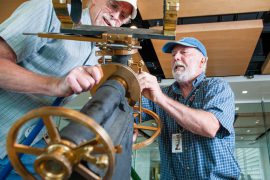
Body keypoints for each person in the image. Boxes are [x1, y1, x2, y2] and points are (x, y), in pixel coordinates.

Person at [0, 0, 137, 178]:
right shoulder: (51, 10)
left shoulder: (96, 46)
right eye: (113, 6)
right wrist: (56, 85)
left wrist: (121, 129)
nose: (116, 17)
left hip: (30, 142)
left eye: (123, 16)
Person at [137, 37, 240, 179]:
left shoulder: (217, 87)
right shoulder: (164, 94)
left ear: (202, 60)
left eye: (184, 52)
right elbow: (129, 114)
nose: (176, 57)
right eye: (173, 55)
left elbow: (210, 127)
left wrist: (160, 99)